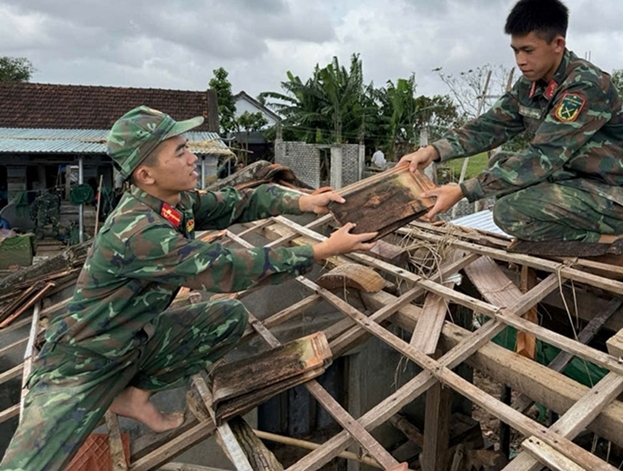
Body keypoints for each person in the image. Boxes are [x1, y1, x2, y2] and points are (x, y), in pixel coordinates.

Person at [1, 106, 377, 471]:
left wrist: (304, 200)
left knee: (227, 318)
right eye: (180, 152)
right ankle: (115, 392)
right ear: (146, 174)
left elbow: (238, 202)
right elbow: (226, 268)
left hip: (133, 340)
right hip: (84, 363)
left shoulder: (172, 203)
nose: (193, 158)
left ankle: (132, 396)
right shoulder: (139, 232)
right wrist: (319, 251)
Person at [400, 0, 623, 245]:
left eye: (528, 50)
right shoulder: (531, 84)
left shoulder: (585, 86)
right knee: (501, 164)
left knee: (509, 212)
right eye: (515, 51)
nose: (520, 61)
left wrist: (462, 191)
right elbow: (489, 126)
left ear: (558, 44)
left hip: (617, 196)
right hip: (578, 180)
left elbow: (543, 156)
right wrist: (432, 151)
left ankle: (610, 242)